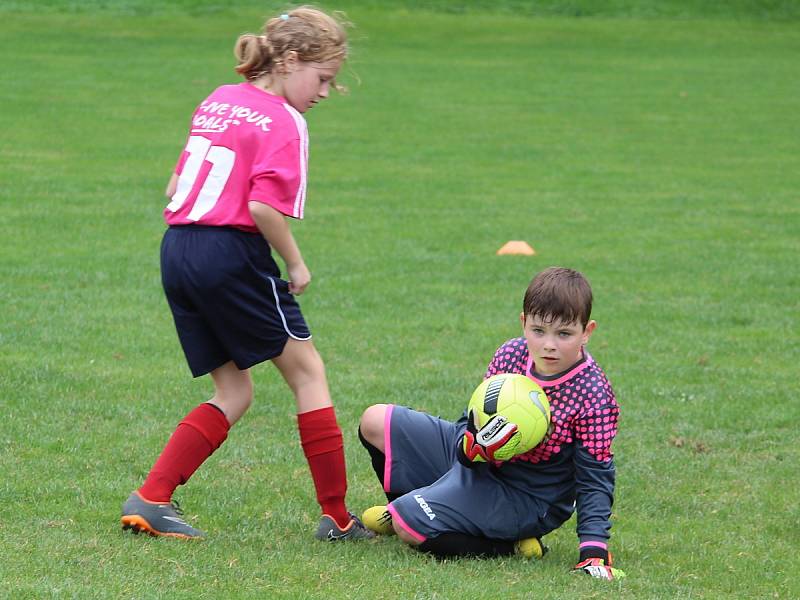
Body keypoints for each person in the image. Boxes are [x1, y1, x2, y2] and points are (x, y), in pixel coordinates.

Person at [121, 6, 373, 542]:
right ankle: (337, 516)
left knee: (234, 390)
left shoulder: (218, 99)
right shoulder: (287, 121)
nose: (325, 93)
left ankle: (152, 497)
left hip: (178, 249)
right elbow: (262, 209)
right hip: (229, 252)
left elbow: (174, 186)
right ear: (290, 60)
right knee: (307, 373)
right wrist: (296, 262)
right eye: (322, 78)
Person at [359, 267, 625, 579]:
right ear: (523, 322)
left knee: (411, 527)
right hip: (480, 465)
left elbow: (595, 476)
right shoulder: (510, 355)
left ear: (587, 331)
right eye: (539, 330)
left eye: (564, 334)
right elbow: (470, 422)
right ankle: (415, 504)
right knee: (374, 420)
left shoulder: (593, 393)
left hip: (526, 496)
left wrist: (593, 549)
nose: (549, 344)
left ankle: (509, 545)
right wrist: (472, 447)